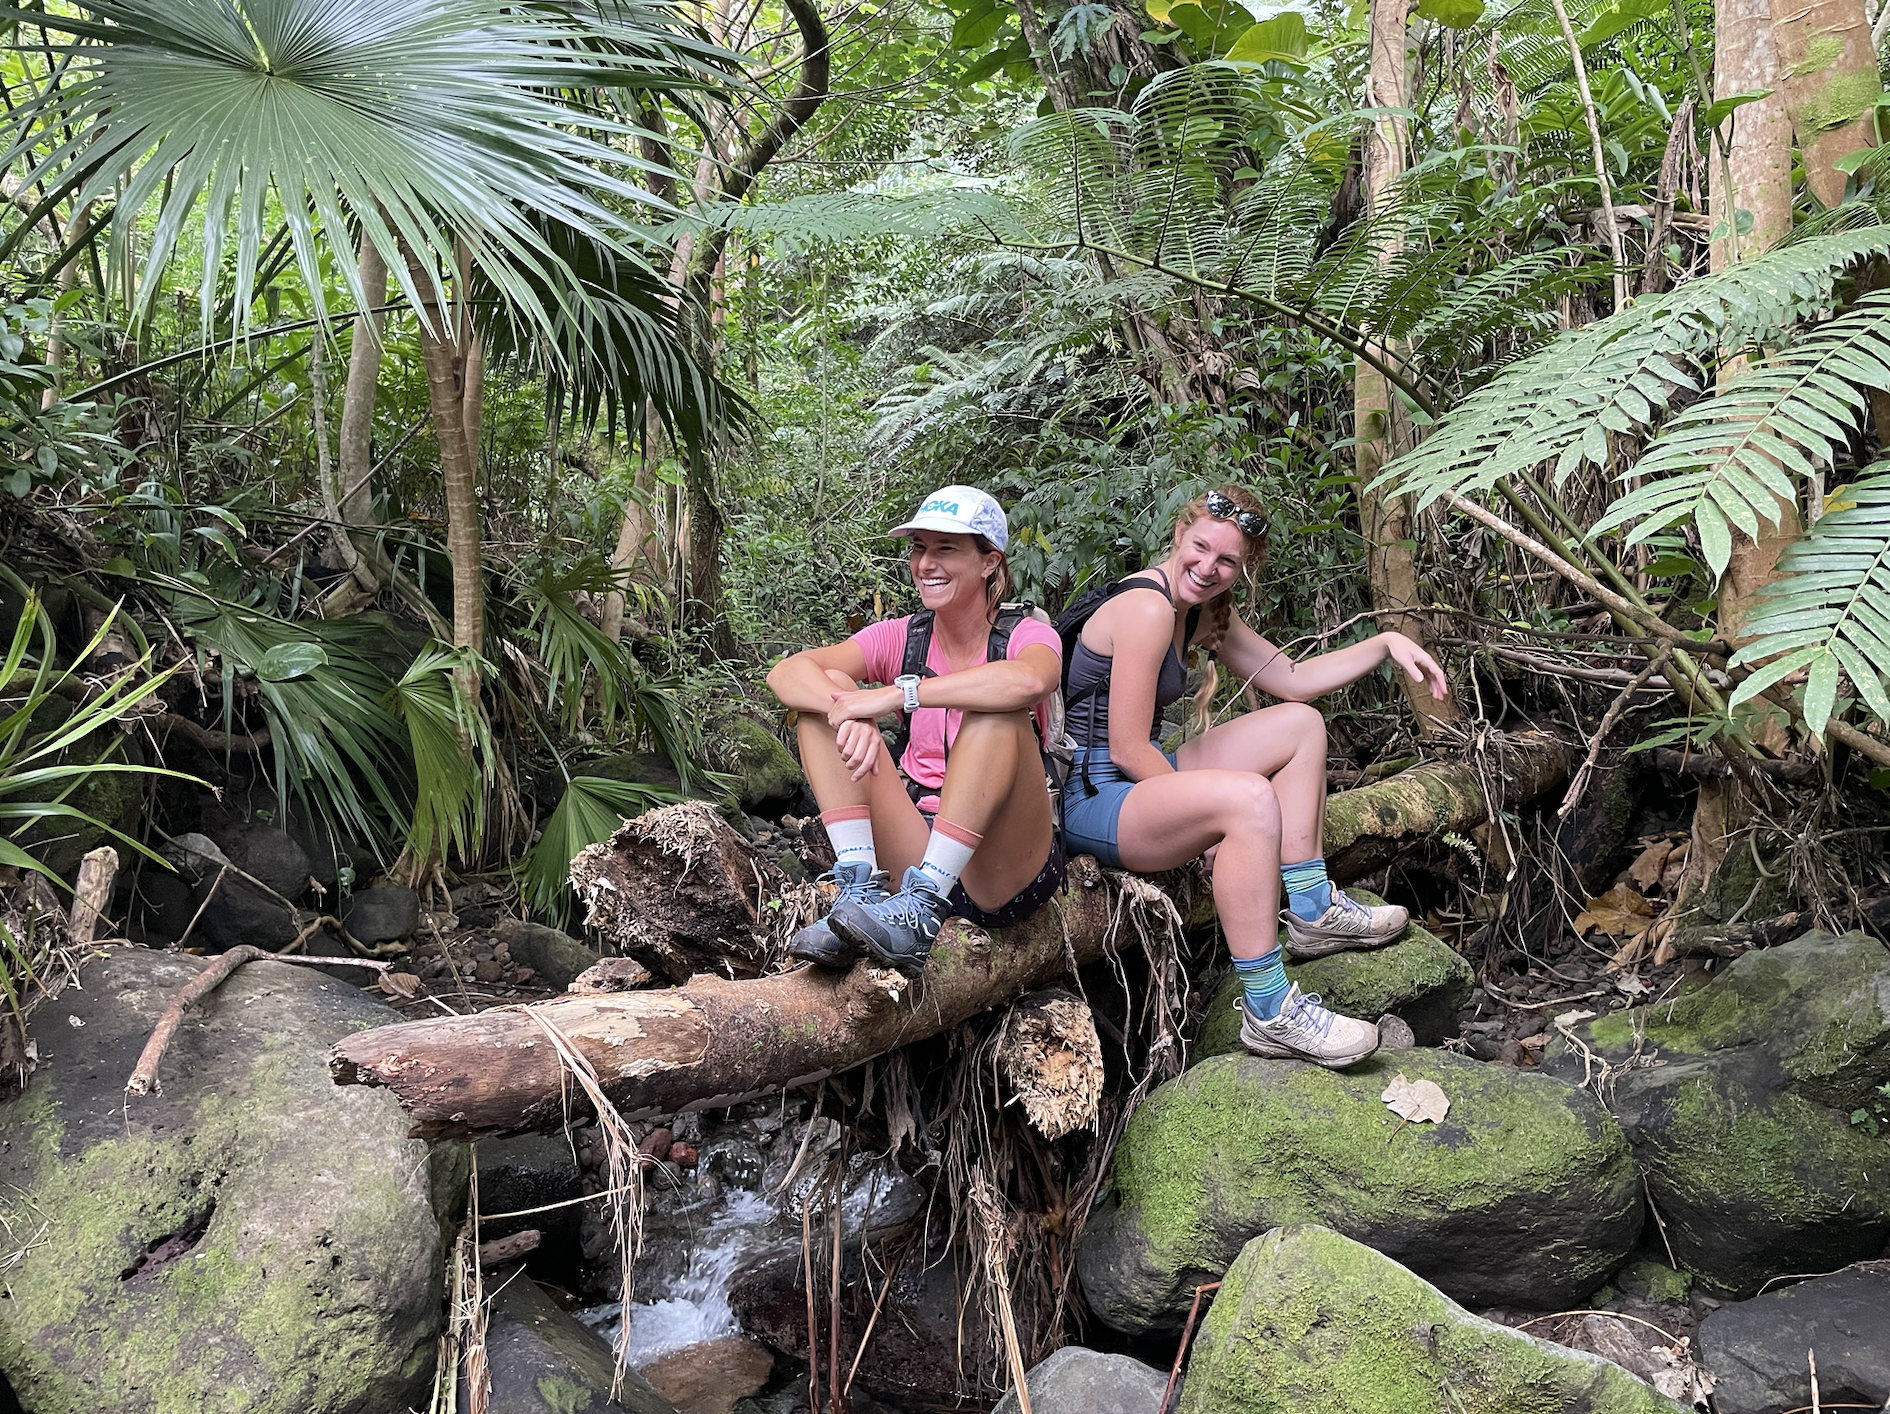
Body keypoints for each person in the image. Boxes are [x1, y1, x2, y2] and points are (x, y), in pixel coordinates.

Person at [1059, 484, 1451, 1068]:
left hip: (1139, 776)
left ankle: (1314, 909)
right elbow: (1126, 746)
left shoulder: (1203, 612)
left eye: (1227, 562)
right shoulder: (1146, 607)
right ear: (1178, 535)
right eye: (1200, 548)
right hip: (1093, 795)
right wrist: (1199, 828)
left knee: (1299, 724)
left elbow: (1290, 678)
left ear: (1242, 570)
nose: (1208, 567)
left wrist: (1387, 641)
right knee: (1248, 800)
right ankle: (1269, 1010)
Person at [766, 485, 1065, 978]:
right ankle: (858, 892)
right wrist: (849, 710)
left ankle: (923, 910)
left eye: (946, 548)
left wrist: (896, 694)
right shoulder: (903, 635)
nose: (927, 563)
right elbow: (787, 673)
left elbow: (1030, 680)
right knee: (829, 692)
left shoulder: (1025, 633)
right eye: (919, 548)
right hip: (916, 848)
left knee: (996, 707)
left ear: (990, 562)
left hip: (1004, 865)